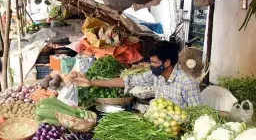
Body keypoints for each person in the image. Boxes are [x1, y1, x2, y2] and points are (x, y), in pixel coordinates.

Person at [74, 41, 203, 107]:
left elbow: (197, 114)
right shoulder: (156, 75)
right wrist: (91, 82)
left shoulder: (187, 83)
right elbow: (127, 80)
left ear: (167, 62)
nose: (151, 66)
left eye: (154, 62)